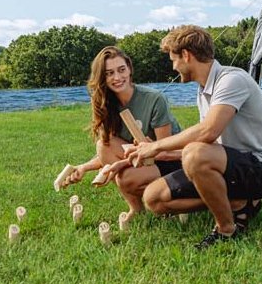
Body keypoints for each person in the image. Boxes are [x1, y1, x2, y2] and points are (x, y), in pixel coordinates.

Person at [125, 25, 262, 249]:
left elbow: (208, 132)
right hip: (225, 166)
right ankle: (238, 203)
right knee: (154, 198)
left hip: (260, 171)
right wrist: (160, 152)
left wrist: (156, 147)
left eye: (173, 59)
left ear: (186, 55)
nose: (173, 66)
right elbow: (206, 146)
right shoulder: (204, 90)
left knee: (195, 153)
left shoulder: (232, 80)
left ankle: (226, 229)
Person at [60, 45, 182, 218]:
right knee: (103, 145)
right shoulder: (106, 104)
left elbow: (165, 151)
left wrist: (122, 165)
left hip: (169, 160)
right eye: (109, 73)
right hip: (143, 158)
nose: (117, 77)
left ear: (130, 69)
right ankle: (137, 208)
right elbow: (107, 153)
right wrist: (83, 167)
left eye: (121, 70)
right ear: (102, 77)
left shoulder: (154, 99)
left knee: (124, 178)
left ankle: (169, 197)